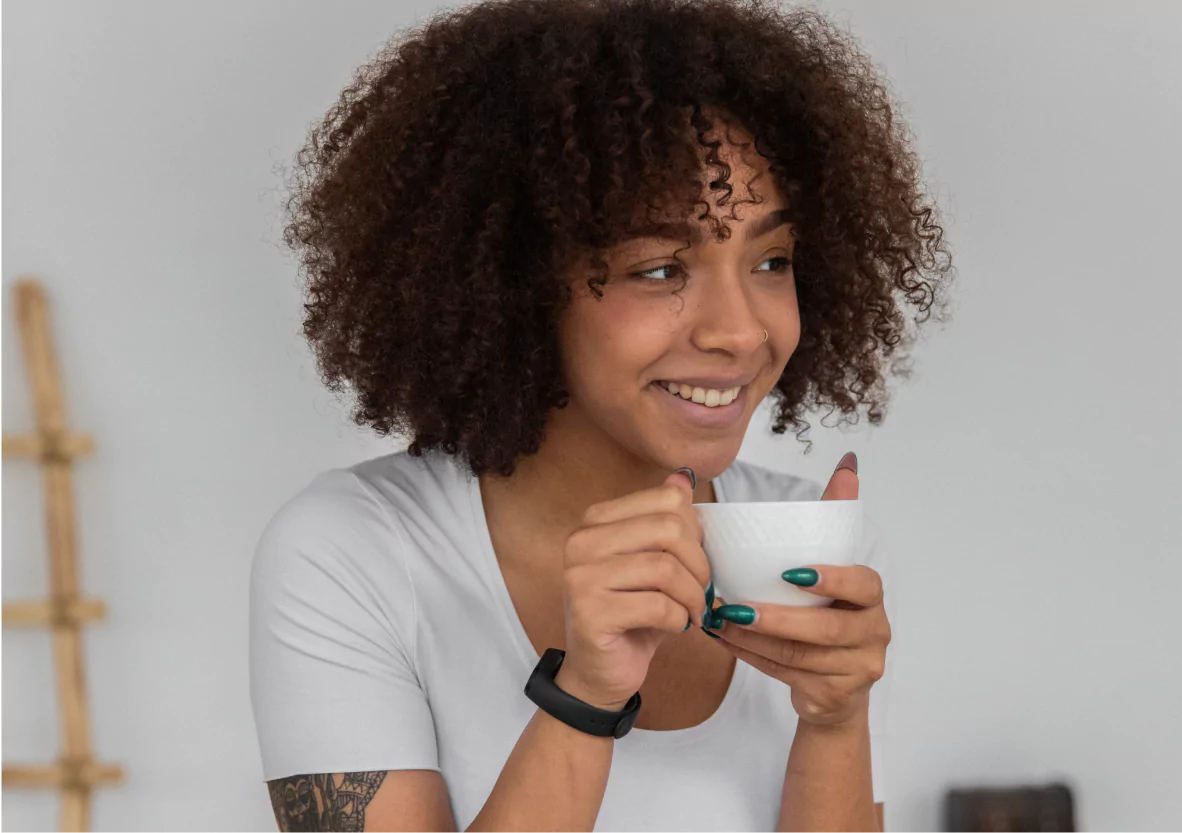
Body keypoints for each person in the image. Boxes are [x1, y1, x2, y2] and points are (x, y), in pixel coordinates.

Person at [249, 0, 952, 830]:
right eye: (659, 269)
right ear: (517, 285)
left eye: (770, 259)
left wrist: (835, 718)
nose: (740, 329)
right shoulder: (355, 552)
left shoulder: (803, 544)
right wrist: (582, 696)